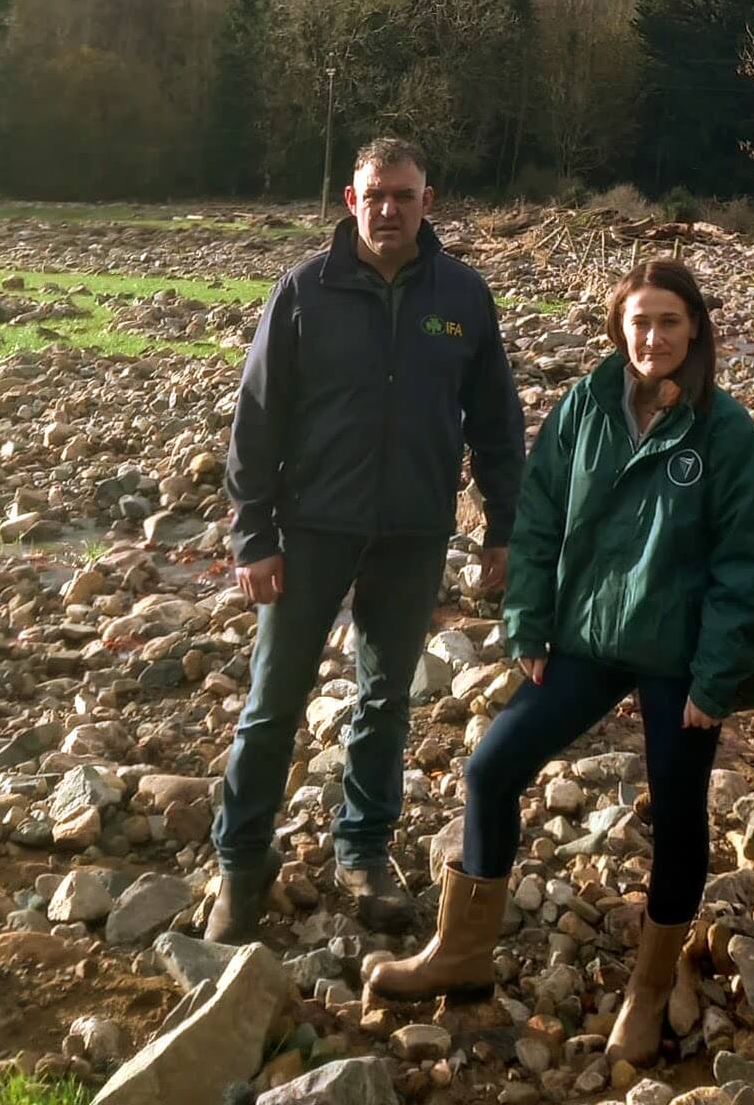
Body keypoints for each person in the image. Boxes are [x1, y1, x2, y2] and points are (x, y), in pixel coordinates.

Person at [369, 258, 754, 1070]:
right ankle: (461, 950)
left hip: (679, 658)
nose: (653, 337)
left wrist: (717, 675)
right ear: (617, 328)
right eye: (639, 321)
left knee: (677, 811)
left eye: (669, 321)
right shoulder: (584, 410)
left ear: (693, 327)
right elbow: (536, 521)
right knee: (490, 768)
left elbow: (745, 566)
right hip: (586, 640)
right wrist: (526, 619)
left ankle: (651, 987)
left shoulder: (726, 433)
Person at [212, 137, 526, 943]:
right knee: (271, 706)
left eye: (404, 195)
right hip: (309, 531)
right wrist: (254, 537)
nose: (389, 209)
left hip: (413, 533)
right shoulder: (304, 290)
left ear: (429, 201)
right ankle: (240, 868)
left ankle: (363, 850)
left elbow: (495, 425)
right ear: (351, 200)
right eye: (375, 195)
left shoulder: (461, 294)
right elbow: (256, 422)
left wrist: (504, 530)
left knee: (386, 702)